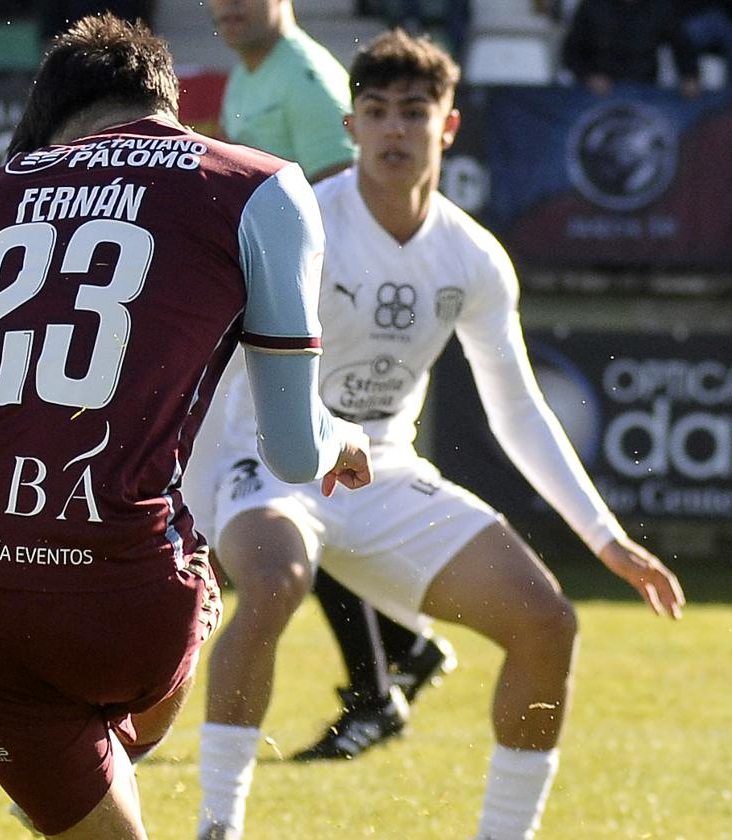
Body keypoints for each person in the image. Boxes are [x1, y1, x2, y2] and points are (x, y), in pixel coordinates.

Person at [0, 13, 371, 839]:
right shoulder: (260, 187)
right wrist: (345, 438)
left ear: (53, 116)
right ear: (161, 103)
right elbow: (294, 451)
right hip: (121, 598)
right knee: (179, 587)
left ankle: (75, 766)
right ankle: (109, 742)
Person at [198, 28, 685, 840]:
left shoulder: (475, 256)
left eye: (416, 112)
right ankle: (219, 826)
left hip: (384, 471)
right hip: (272, 458)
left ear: (448, 127)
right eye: (378, 111)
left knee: (548, 624)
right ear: (351, 127)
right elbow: (224, 363)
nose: (396, 129)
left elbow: (518, 407)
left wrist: (603, 536)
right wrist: (181, 485)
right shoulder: (303, 223)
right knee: (278, 579)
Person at [193, 9, 453, 829]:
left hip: (310, 337)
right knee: (292, 525)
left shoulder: (305, 78)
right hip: (272, 331)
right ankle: (396, 664)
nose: (228, 7)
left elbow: (355, 204)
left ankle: (381, 682)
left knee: (301, 509)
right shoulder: (248, 71)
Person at [560, 0, 701, 98]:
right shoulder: (593, 6)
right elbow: (570, 52)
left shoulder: (659, 7)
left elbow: (682, 45)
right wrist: (589, 77)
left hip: (644, 89)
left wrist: (689, 75)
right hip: (598, 93)